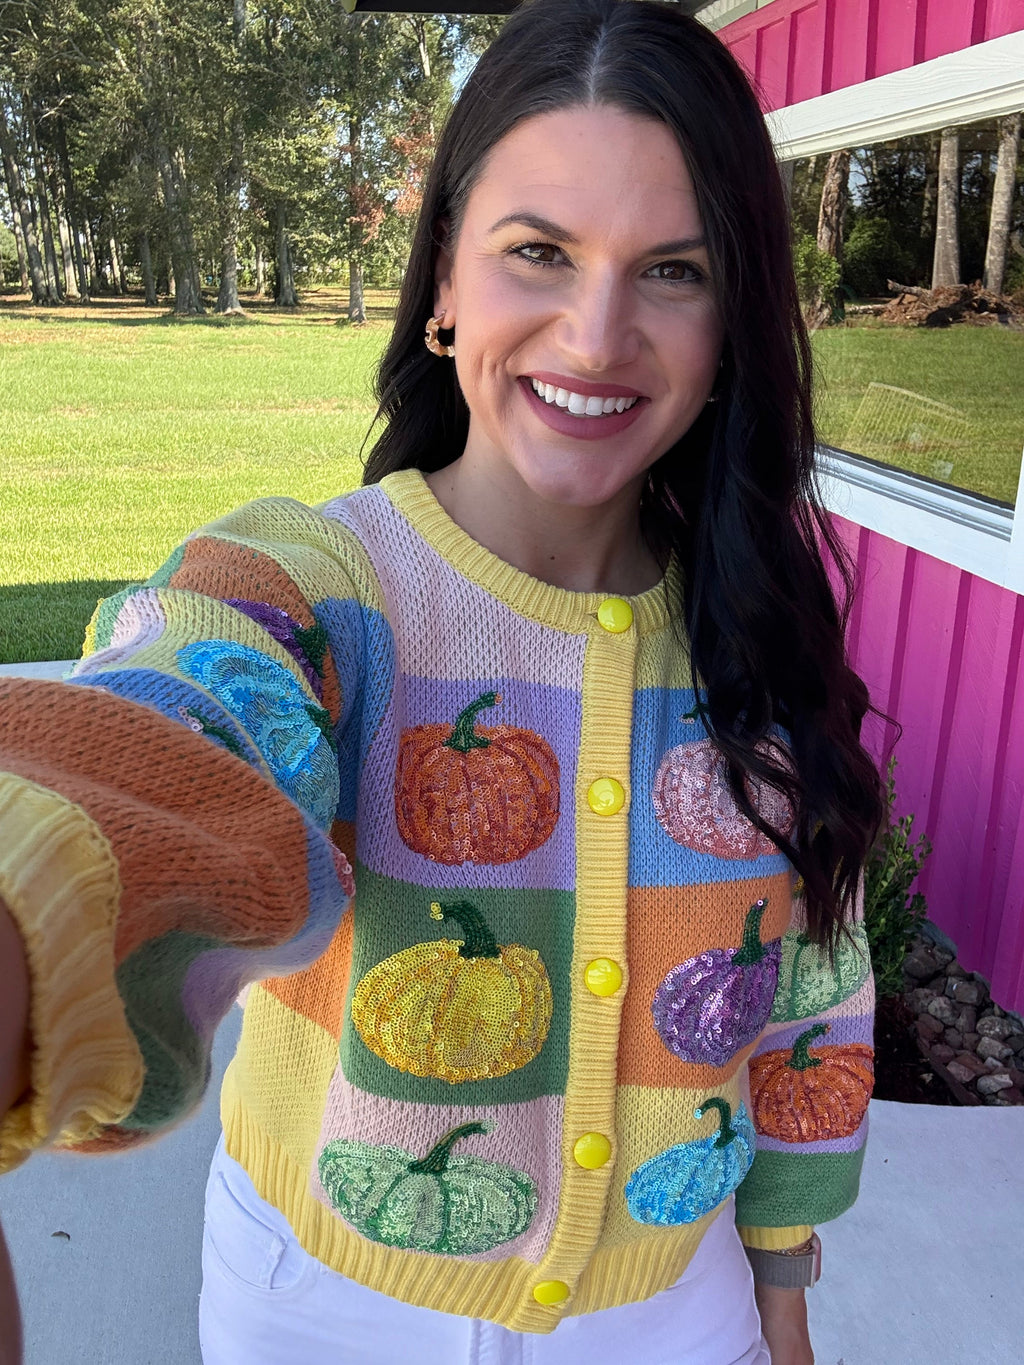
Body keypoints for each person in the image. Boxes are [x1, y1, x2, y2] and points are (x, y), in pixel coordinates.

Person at [0, 1, 886, 1361]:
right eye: (539, 251)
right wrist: (28, 911)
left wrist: (782, 1275)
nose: (597, 334)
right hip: (324, 1304)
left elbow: (811, 995)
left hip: (673, 1308)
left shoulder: (761, 632)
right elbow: (173, 727)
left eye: (675, 270)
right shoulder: (314, 588)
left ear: (734, 327)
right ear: (444, 285)